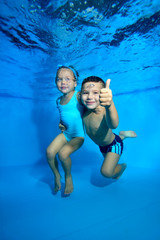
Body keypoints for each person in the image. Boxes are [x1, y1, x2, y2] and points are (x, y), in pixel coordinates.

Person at [80, 76, 137, 179]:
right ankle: (122, 135)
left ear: (103, 94)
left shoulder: (104, 111)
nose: (89, 97)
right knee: (110, 167)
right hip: (102, 145)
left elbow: (113, 125)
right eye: (85, 93)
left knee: (106, 172)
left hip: (114, 144)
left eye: (95, 92)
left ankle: (122, 167)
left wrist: (110, 105)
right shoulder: (85, 111)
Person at [46, 65, 85, 195]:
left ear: (75, 83)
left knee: (62, 154)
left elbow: (90, 100)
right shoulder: (58, 100)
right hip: (66, 133)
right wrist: (61, 124)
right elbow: (65, 116)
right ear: (55, 82)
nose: (63, 82)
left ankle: (68, 176)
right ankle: (57, 175)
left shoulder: (78, 96)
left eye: (68, 79)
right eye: (59, 79)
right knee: (50, 152)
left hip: (78, 136)